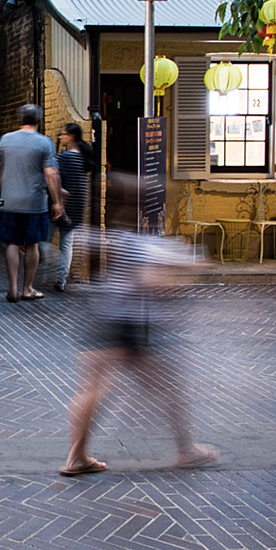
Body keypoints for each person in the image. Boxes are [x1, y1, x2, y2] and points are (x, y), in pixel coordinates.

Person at [60, 174, 218, 478]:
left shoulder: (115, 236)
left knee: (94, 388)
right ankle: (186, 451)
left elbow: (87, 244)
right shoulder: (139, 243)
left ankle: (76, 456)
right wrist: (188, 270)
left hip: (102, 316)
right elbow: (154, 282)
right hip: (129, 325)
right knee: (168, 386)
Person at [0, 104, 64, 303]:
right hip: (35, 202)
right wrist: (57, 201)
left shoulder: (5, 139)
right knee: (32, 244)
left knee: (12, 243)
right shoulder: (45, 143)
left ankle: (13, 288)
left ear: (20, 119)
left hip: (10, 201)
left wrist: (5, 187)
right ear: (38, 120)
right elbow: (51, 173)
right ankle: (27, 288)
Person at [51, 122, 93, 291]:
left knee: (43, 241)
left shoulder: (65, 157)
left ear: (71, 136)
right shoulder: (84, 157)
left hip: (62, 204)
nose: (60, 137)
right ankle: (61, 280)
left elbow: (54, 178)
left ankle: (49, 268)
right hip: (77, 204)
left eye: (63, 134)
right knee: (66, 244)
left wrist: (57, 199)